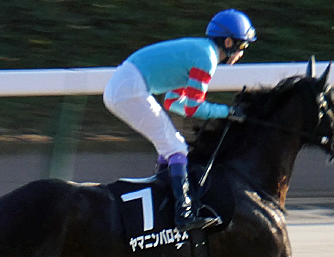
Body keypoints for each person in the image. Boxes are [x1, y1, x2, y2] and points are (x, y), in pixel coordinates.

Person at [103, 9, 256, 232]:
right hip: (129, 90)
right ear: (229, 41)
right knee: (175, 147)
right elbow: (194, 107)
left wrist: (222, 111)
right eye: (242, 46)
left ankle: (162, 200)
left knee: (171, 145)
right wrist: (227, 111)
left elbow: (173, 101)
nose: (242, 53)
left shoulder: (200, 51)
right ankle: (184, 213)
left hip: (125, 87)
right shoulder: (207, 58)